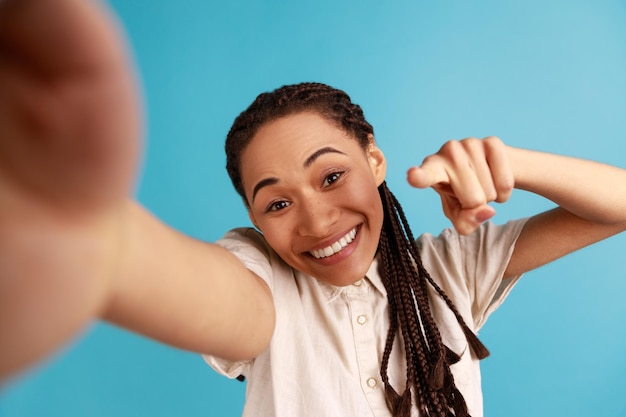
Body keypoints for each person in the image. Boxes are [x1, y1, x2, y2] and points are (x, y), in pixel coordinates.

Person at [1, 1, 625, 417]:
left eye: (331, 175)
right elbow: (217, 302)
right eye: (276, 202)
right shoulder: (264, 280)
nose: (317, 220)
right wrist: (94, 239)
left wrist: (508, 163)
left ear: (376, 162)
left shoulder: (450, 271)